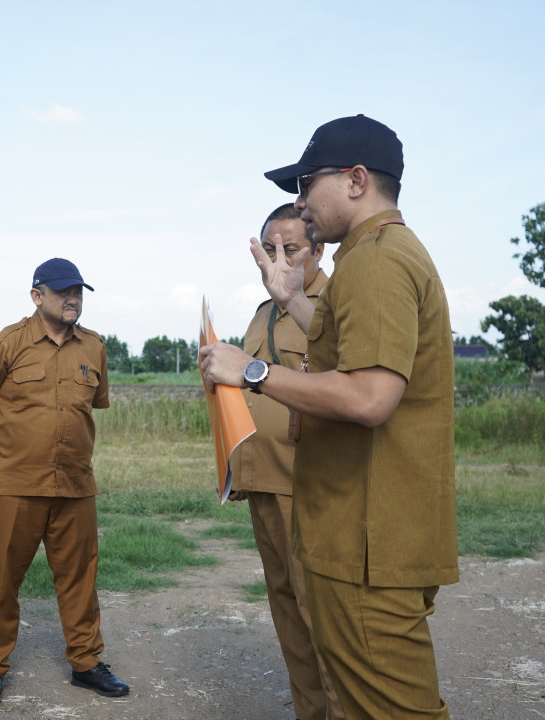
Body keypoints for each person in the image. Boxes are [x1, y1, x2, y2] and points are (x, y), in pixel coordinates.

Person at [199, 115, 458, 720]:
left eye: (307, 182)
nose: (300, 202)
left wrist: (253, 373)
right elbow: (356, 353)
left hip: (367, 536)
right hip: (366, 528)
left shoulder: (374, 260)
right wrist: (290, 296)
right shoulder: (381, 254)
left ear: (356, 180)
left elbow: (369, 396)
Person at [0, 258, 128, 707]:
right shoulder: (5, 345)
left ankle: (86, 662)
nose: (72, 299)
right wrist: (15, 433)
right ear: (38, 296)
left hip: (75, 485)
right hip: (16, 484)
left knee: (79, 579)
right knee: (2, 581)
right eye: (62, 292)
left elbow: (94, 405)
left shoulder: (93, 348)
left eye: (78, 291)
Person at [227, 202, 344, 720]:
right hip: (264, 478)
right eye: (269, 249)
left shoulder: (333, 307)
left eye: (291, 248)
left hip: (310, 484)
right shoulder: (262, 313)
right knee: (287, 609)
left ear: (319, 250)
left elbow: (347, 368)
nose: (278, 259)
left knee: (323, 616)